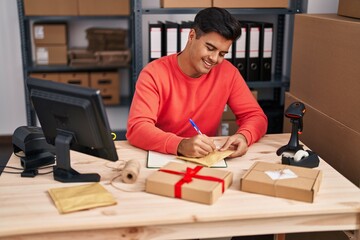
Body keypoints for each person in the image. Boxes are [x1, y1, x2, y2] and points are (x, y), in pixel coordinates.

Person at [126, 7, 268, 159]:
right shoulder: (153, 73)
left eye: (222, 54)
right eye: (210, 48)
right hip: (163, 156)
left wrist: (244, 136)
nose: (214, 59)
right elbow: (137, 128)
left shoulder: (228, 73)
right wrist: (180, 145)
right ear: (192, 35)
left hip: (205, 160)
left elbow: (256, 117)